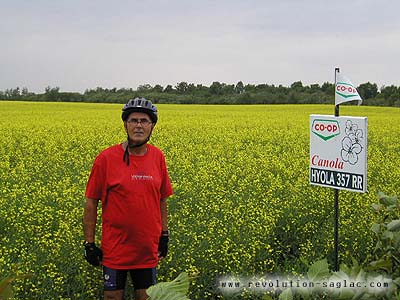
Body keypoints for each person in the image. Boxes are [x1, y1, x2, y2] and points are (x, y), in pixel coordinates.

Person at [83, 97, 173, 300]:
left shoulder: (158, 157)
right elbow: (91, 202)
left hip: (147, 250)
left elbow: (162, 198)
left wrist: (164, 235)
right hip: (115, 250)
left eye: (144, 121)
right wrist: (89, 243)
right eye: (134, 120)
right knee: (113, 298)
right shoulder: (105, 158)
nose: (139, 125)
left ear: (152, 126)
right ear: (125, 124)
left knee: (146, 297)